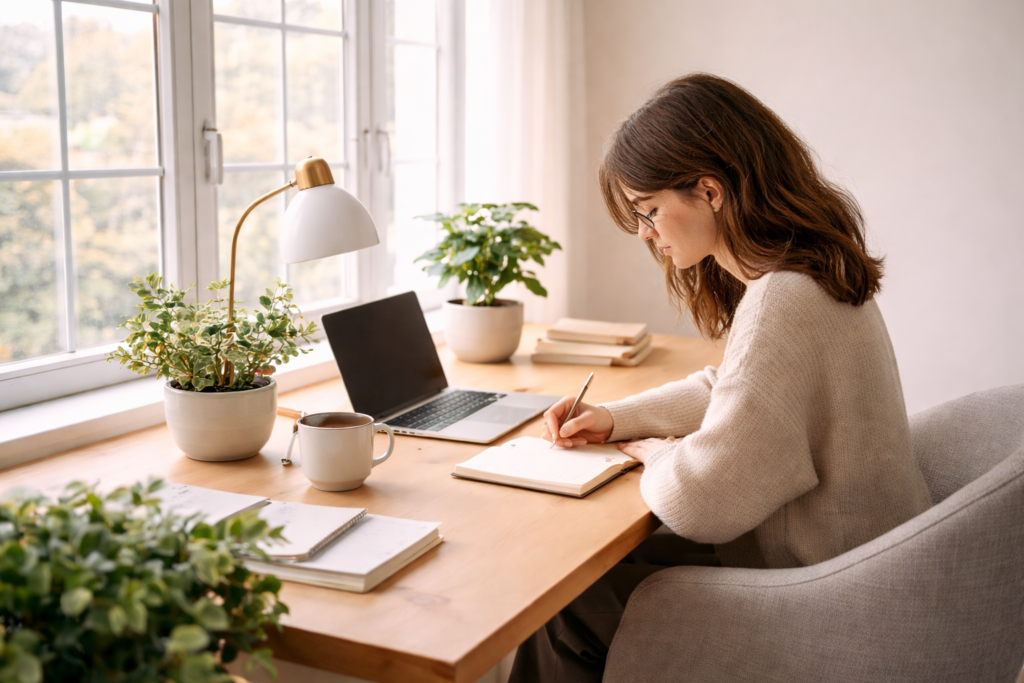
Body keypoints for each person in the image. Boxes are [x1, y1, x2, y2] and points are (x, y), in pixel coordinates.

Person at [507, 73, 933, 682]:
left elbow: (703, 502)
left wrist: (655, 455)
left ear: (709, 191)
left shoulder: (783, 299)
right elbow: (733, 387)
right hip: (861, 566)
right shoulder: (806, 271)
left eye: (649, 211)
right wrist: (615, 419)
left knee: (564, 609)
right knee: (591, 581)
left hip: (829, 592)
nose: (644, 234)